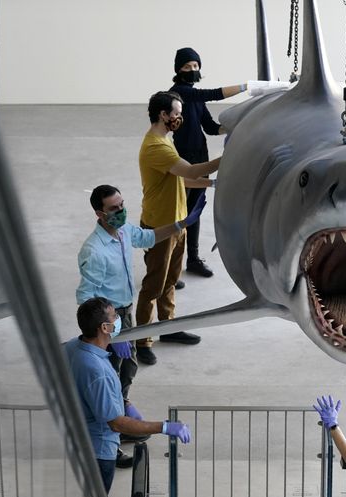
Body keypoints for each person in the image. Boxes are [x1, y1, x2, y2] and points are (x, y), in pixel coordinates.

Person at [77, 185, 205, 466]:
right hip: (107, 320)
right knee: (109, 380)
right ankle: (110, 439)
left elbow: (147, 237)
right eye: (114, 208)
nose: (121, 211)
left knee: (126, 369)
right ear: (99, 213)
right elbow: (86, 299)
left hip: (123, 313)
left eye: (122, 204)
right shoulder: (94, 250)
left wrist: (181, 224)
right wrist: (113, 332)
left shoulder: (123, 231)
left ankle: (122, 414)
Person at [64, 297, 192, 494]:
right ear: (104, 328)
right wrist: (164, 427)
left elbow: (87, 391)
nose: (119, 320)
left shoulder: (74, 346)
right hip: (99, 452)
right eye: (114, 316)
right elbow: (116, 424)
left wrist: (124, 402)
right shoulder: (97, 371)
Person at [135, 91, 220, 364]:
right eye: (176, 113)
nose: (179, 117)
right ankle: (142, 339)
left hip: (177, 223)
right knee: (153, 286)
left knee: (170, 281)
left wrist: (214, 183)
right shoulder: (155, 147)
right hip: (160, 226)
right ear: (163, 115)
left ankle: (168, 327)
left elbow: (182, 179)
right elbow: (192, 171)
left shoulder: (165, 140)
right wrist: (230, 158)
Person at [169, 47, 247, 278]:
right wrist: (247, 87)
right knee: (180, 213)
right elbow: (213, 93)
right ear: (178, 70)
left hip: (200, 155)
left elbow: (211, 128)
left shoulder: (196, 98)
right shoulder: (179, 93)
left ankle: (193, 259)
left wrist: (237, 127)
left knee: (195, 210)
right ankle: (171, 266)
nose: (193, 70)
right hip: (183, 158)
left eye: (195, 66)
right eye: (187, 66)